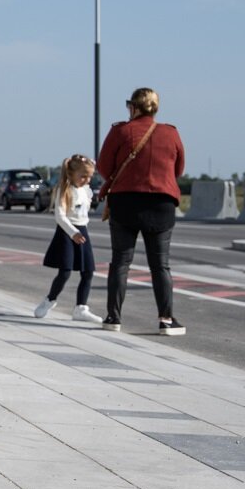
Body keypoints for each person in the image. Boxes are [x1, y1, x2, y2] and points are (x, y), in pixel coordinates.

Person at [96, 88, 187, 336]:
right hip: (161, 204)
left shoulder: (120, 131)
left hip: (125, 202)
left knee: (121, 263)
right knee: (160, 266)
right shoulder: (171, 133)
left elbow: (104, 167)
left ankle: (113, 318)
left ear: (134, 107)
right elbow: (178, 169)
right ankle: (166, 320)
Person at [33, 155, 103, 324]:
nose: (86, 180)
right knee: (65, 271)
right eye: (83, 176)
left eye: (89, 177)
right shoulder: (63, 189)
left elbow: (84, 212)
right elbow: (60, 216)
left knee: (88, 271)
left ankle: (81, 308)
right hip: (67, 231)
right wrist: (73, 233)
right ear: (71, 174)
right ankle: (50, 300)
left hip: (82, 230)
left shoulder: (86, 190)